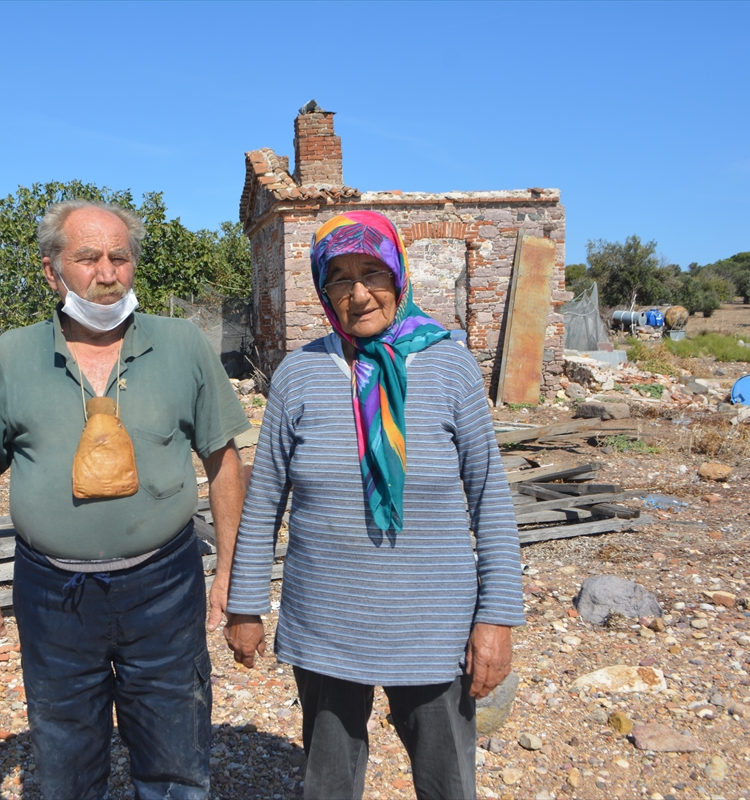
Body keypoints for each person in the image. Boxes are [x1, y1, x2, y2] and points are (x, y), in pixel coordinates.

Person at [0, 200, 252, 800]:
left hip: (164, 585)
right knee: (65, 751)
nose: (107, 272)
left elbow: (223, 462)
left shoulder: (183, 344)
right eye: (87, 257)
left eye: (120, 257)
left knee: (174, 744)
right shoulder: (12, 355)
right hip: (51, 592)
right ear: (52, 271)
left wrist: (231, 572)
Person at [224, 210, 525, 800]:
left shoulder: (451, 367)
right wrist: (245, 606)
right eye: (339, 278)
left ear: (398, 275)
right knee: (329, 784)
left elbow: (490, 497)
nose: (358, 294)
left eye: (372, 273)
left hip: (434, 627)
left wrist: (496, 620)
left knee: (447, 783)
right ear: (322, 289)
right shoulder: (299, 374)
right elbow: (264, 502)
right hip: (327, 622)